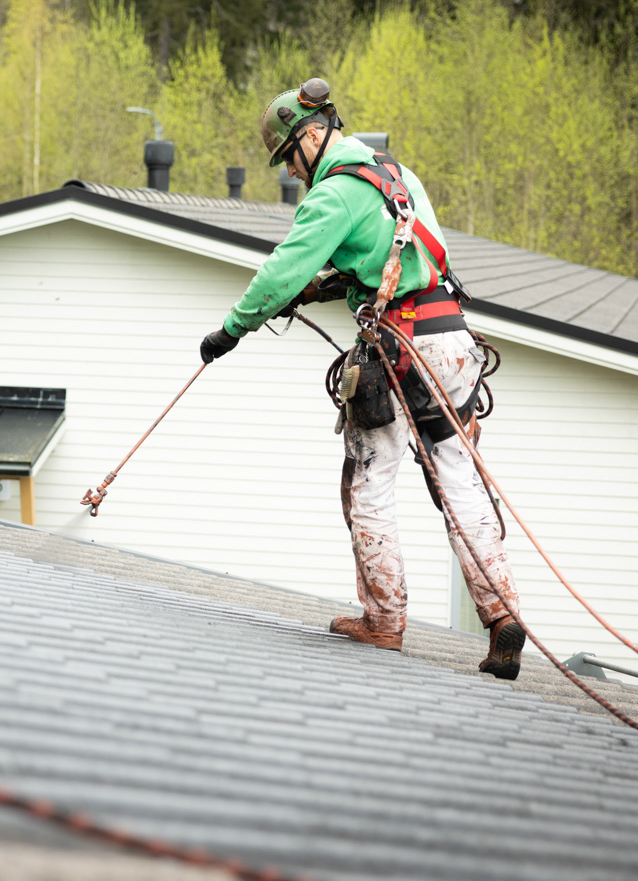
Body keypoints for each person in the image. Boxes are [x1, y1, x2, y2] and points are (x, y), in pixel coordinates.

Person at [200, 79, 526, 680]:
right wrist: (336, 285)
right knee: (459, 482)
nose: (295, 174)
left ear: (313, 134)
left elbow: (280, 270)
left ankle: (384, 621)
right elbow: (408, 260)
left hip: (400, 350)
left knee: (369, 483)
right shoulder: (399, 177)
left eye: (290, 159)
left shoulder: (333, 195)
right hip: (453, 342)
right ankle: (501, 612)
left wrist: (231, 329)